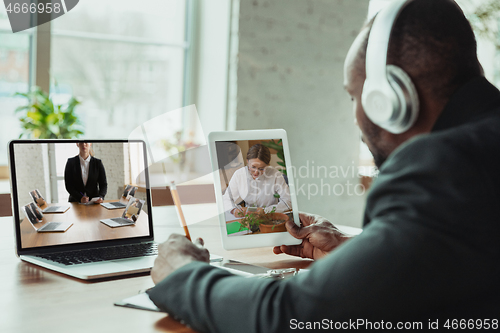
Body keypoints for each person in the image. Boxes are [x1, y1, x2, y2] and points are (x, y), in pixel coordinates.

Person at [148, 0, 500, 331]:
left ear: (389, 101)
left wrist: (184, 274)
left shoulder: (443, 170)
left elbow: (291, 316)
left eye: (354, 96)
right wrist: (359, 252)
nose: (355, 116)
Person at [222, 143, 291, 216]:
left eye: (261, 168)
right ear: (248, 161)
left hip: (269, 216)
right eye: (253, 167)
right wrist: (234, 210)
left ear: (268, 165)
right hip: (248, 218)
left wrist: (265, 211)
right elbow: (226, 199)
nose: (256, 172)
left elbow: (288, 201)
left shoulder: (275, 175)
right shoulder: (239, 175)